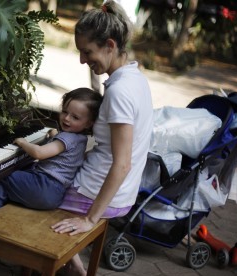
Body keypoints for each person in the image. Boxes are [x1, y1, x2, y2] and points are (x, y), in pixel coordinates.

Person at [50, 1, 153, 275]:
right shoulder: (134, 77)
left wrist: (90, 218)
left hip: (96, 193)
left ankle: (65, 267)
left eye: (87, 52)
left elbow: (122, 163)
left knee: (33, 195)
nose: (83, 60)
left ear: (109, 45)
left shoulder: (120, 91)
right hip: (122, 192)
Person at [0, 87, 103, 216]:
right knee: (21, 173)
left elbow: (39, 153)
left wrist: (23, 143)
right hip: (56, 194)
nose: (67, 118)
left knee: (0, 177)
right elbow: (63, 148)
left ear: (89, 124)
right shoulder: (81, 139)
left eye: (75, 117)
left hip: (43, 187)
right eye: (65, 112)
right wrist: (55, 135)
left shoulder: (66, 138)